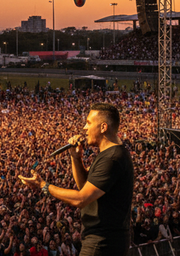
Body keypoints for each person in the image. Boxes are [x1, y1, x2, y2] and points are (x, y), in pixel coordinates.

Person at [19, 102, 134, 256]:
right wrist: (76, 157)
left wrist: (43, 185)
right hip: (105, 240)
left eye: (88, 123)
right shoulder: (110, 154)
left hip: (102, 243)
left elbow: (81, 199)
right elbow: (85, 186)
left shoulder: (112, 158)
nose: (85, 128)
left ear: (103, 127)